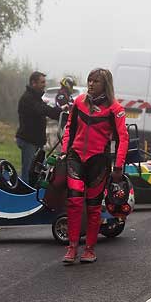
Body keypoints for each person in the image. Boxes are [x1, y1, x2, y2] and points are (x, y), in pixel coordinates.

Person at [60, 68, 129, 264]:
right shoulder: (79, 101)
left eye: (96, 81)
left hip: (99, 160)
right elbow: (69, 127)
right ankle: (72, 246)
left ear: (105, 85)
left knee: (93, 205)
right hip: (75, 156)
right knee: (73, 201)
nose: (91, 84)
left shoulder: (115, 109)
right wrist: (65, 151)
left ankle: (89, 248)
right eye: (89, 80)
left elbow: (122, 138)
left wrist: (118, 165)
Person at [16, 71, 62, 183]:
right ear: (33, 83)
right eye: (42, 82)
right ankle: (24, 193)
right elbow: (43, 109)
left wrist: (61, 113)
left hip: (35, 141)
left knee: (36, 170)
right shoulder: (28, 98)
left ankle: (31, 190)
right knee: (28, 171)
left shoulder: (35, 98)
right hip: (28, 140)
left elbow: (46, 109)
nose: (44, 84)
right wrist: (58, 112)